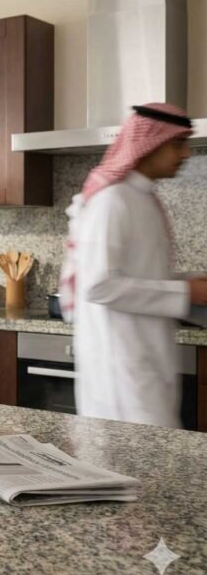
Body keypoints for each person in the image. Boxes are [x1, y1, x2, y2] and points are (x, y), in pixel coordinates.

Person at [62, 103, 207, 428]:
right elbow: (98, 285)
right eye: (178, 144)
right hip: (120, 369)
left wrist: (191, 281)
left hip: (145, 360)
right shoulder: (111, 202)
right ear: (149, 144)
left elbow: (141, 275)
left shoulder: (141, 199)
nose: (186, 154)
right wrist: (185, 292)